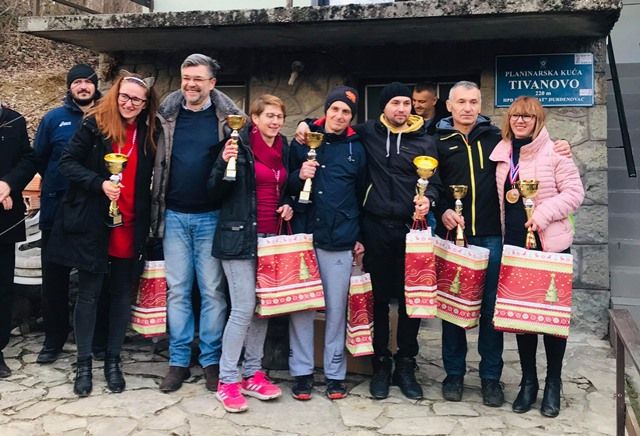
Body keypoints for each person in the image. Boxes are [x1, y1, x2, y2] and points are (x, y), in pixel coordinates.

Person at [296, 82, 441, 401]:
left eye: (406, 103)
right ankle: (381, 365)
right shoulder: (367, 133)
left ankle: (406, 363)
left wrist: (428, 198)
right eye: (395, 103)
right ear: (383, 106)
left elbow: (436, 184)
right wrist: (305, 124)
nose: (401, 108)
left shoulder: (425, 140)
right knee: (378, 299)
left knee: (411, 300)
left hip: (411, 229)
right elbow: (333, 123)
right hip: (375, 227)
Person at [435, 81, 571, 407]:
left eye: (473, 101)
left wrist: (561, 144)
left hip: (494, 236)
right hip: (455, 236)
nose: (468, 108)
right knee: (453, 308)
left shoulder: (498, 139)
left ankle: (490, 378)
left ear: (480, 104)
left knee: (491, 311)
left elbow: (534, 146)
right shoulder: (435, 141)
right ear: (449, 106)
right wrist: (442, 212)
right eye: (461, 102)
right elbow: (433, 186)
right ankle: (454, 374)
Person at [47, 72, 159, 396]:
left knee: (121, 294)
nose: (129, 103)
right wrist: (99, 184)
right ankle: (84, 364)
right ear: (115, 95)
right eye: (124, 96)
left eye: (136, 99)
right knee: (89, 294)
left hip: (129, 223)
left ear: (145, 104)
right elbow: (67, 162)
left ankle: (113, 360)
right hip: (94, 223)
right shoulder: (95, 124)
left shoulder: (149, 132)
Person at [151, 53, 242, 393]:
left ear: (212, 83)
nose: (190, 84)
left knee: (213, 292)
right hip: (173, 216)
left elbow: (265, 130)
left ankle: (210, 360)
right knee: (177, 291)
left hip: (211, 216)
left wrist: (306, 126)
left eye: (198, 79)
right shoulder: (165, 117)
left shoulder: (228, 121)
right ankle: (178, 361)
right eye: (186, 78)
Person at [489, 96, 583, 417]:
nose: (520, 121)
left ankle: (553, 383)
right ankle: (528, 381)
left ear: (538, 120)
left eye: (527, 116)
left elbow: (574, 193)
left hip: (549, 245)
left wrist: (542, 214)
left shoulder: (555, 152)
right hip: (516, 244)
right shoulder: (501, 153)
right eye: (516, 115)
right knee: (523, 319)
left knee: (552, 321)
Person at [207, 94, 291, 412]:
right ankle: (227, 380)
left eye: (279, 116)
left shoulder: (283, 147)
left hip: (271, 237)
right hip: (239, 237)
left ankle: (252, 373)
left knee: (261, 308)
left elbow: (287, 187)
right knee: (242, 308)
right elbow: (213, 190)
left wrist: (289, 203)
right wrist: (222, 161)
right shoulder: (237, 146)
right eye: (269, 115)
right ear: (254, 119)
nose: (274, 121)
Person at [288, 86, 367, 401]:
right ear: (326, 111)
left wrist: (359, 236)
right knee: (303, 307)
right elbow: (286, 184)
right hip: (305, 234)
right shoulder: (303, 140)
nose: (339, 115)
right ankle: (302, 373)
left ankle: (335, 374)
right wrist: (299, 175)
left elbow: (361, 193)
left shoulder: (356, 148)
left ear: (351, 117)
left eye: (346, 112)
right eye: (335, 109)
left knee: (336, 310)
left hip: (340, 237)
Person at [33, 63, 109, 364]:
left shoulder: (108, 117)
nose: (83, 86)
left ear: (95, 86)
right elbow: (39, 159)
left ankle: (97, 340)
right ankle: (53, 339)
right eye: (77, 82)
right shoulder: (53, 119)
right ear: (69, 87)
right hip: (57, 209)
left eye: (88, 82)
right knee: (54, 279)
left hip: (94, 211)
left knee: (96, 278)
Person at [0, 104, 37, 378]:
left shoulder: (14, 120)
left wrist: (8, 184)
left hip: (4, 219)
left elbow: (28, 159)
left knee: (2, 287)